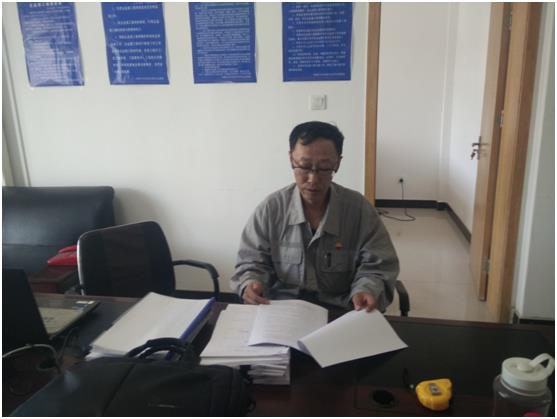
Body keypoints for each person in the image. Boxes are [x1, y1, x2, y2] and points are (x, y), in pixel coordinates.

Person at [229, 121, 399, 312]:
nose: (313, 179)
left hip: (341, 312)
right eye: (304, 166)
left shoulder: (359, 211)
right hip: (281, 312)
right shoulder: (270, 209)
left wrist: (367, 289)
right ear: (291, 159)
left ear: (337, 163)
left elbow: (378, 266)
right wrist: (251, 282)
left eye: (324, 168)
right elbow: (251, 262)